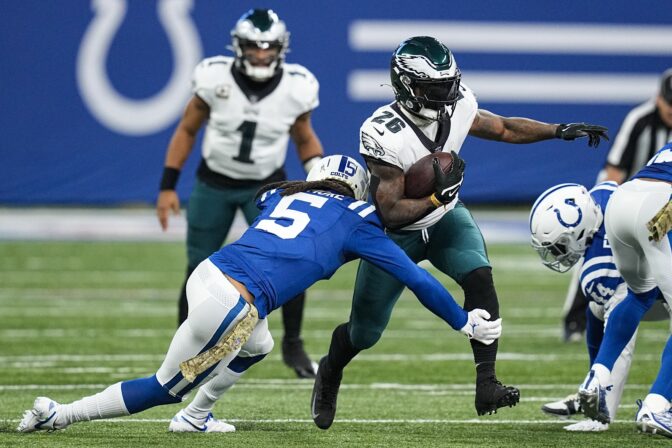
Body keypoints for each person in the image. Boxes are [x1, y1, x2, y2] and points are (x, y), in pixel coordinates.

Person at [17, 155, 501, 434]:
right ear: (357, 188)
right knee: (165, 386)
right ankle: (61, 415)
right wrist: (463, 321)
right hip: (234, 304)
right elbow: (415, 276)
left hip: (210, 275)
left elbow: (276, 206)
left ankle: (197, 417)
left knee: (259, 345)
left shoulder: (283, 194)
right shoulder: (359, 221)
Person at [310, 36, 609, 430]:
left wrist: (557, 130)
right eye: (437, 88)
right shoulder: (383, 132)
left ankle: (487, 382)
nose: (448, 95)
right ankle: (331, 368)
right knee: (364, 332)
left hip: (446, 218)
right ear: (407, 86)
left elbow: (501, 128)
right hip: (395, 235)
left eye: (450, 84)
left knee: (480, 277)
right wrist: (436, 197)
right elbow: (391, 212)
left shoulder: (458, 103)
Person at [156, 9, 324, 378]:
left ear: (281, 48)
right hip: (213, 183)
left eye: (268, 47)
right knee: (196, 267)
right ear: (238, 46)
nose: (261, 55)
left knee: (292, 263)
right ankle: (186, 348)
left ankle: (293, 344)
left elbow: (304, 137)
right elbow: (186, 130)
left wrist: (321, 177)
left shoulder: (297, 86)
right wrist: (168, 185)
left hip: (266, 187)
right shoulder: (213, 77)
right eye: (253, 46)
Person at [529, 182, 669, 431]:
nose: (559, 255)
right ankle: (595, 389)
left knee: (613, 304)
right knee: (599, 307)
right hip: (655, 247)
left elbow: (623, 337)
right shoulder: (600, 197)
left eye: (560, 246)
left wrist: (603, 417)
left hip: (659, 283)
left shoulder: (597, 268)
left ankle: (645, 402)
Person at [561, 68, 672, 343]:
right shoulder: (640, 120)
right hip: (625, 195)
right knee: (594, 246)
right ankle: (576, 317)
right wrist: (614, 211)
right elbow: (614, 171)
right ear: (659, 98)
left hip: (663, 203)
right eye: (669, 103)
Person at [577, 142, 672, 438]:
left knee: (639, 295)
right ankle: (657, 406)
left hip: (624, 199)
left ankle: (597, 377)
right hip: (661, 205)